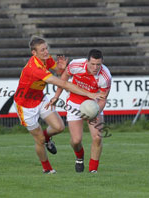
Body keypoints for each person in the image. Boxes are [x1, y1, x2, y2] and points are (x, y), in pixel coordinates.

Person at [13, 36, 105, 174]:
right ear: (34, 53)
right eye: (42, 50)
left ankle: (47, 138)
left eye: (46, 48)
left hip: (40, 99)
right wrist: (89, 94)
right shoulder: (34, 68)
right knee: (39, 139)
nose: (46, 52)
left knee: (59, 127)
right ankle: (47, 169)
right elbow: (63, 83)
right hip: (25, 106)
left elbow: (59, 72)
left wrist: (61, 68)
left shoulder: (46, 58)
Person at [50, 49, 111, 173]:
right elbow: (64, 78)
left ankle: (93, 170)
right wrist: (56, 96)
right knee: (76, 141)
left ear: (102, 62)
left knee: (97, 137)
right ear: (87, 61)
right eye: (92, 64)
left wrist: (95, 111)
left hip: (93, 105)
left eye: (98, 64)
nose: (95, 67)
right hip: (74, 103)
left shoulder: (105, 76)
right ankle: (79, 157)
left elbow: (103, 99)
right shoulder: (76, 65)